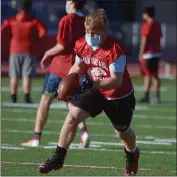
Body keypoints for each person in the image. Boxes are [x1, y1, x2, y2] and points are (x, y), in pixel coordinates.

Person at [37, 9, 140, 176]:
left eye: (93, 32)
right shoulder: (81, 44)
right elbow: (78, 66)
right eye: (87, 31)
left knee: (122, 132)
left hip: (118, 95)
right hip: (96, 90)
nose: (89, 35)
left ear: (104, 31)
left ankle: (133, 153)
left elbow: (116, 80)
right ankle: (58, 157)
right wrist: (69, 80)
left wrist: (92, 82)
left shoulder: (114, 49)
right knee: (73, 115)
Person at [21, 0, 90, 148]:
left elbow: (62, 45)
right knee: (71, 102)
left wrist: (47, 53)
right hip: (75, 67)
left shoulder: (66, 20)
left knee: (45, 100)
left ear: (71, 2)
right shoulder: (86, 20)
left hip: (60, 66)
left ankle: (36, 137)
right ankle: (84, 133)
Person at [1, 0, 46, 103]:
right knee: (27, 75)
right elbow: (43, 32)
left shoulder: (11, 21)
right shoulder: (34, 21)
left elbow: (3, 30)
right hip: (29, 50)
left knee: (14, 75)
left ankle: (13, 97)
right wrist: (35, 39)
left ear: (19, 8)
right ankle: (27, 98)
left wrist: (10, 38)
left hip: (14, 50)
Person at [139, 6, 162, 103]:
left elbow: (144, 39)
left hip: (148, 54)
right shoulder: (157, 24)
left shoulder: (147, 25)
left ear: (146, 14)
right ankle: (156, 96)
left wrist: (141, 53)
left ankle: (146, 95)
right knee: (155, 75)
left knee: (148, 75)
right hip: (156, 53)